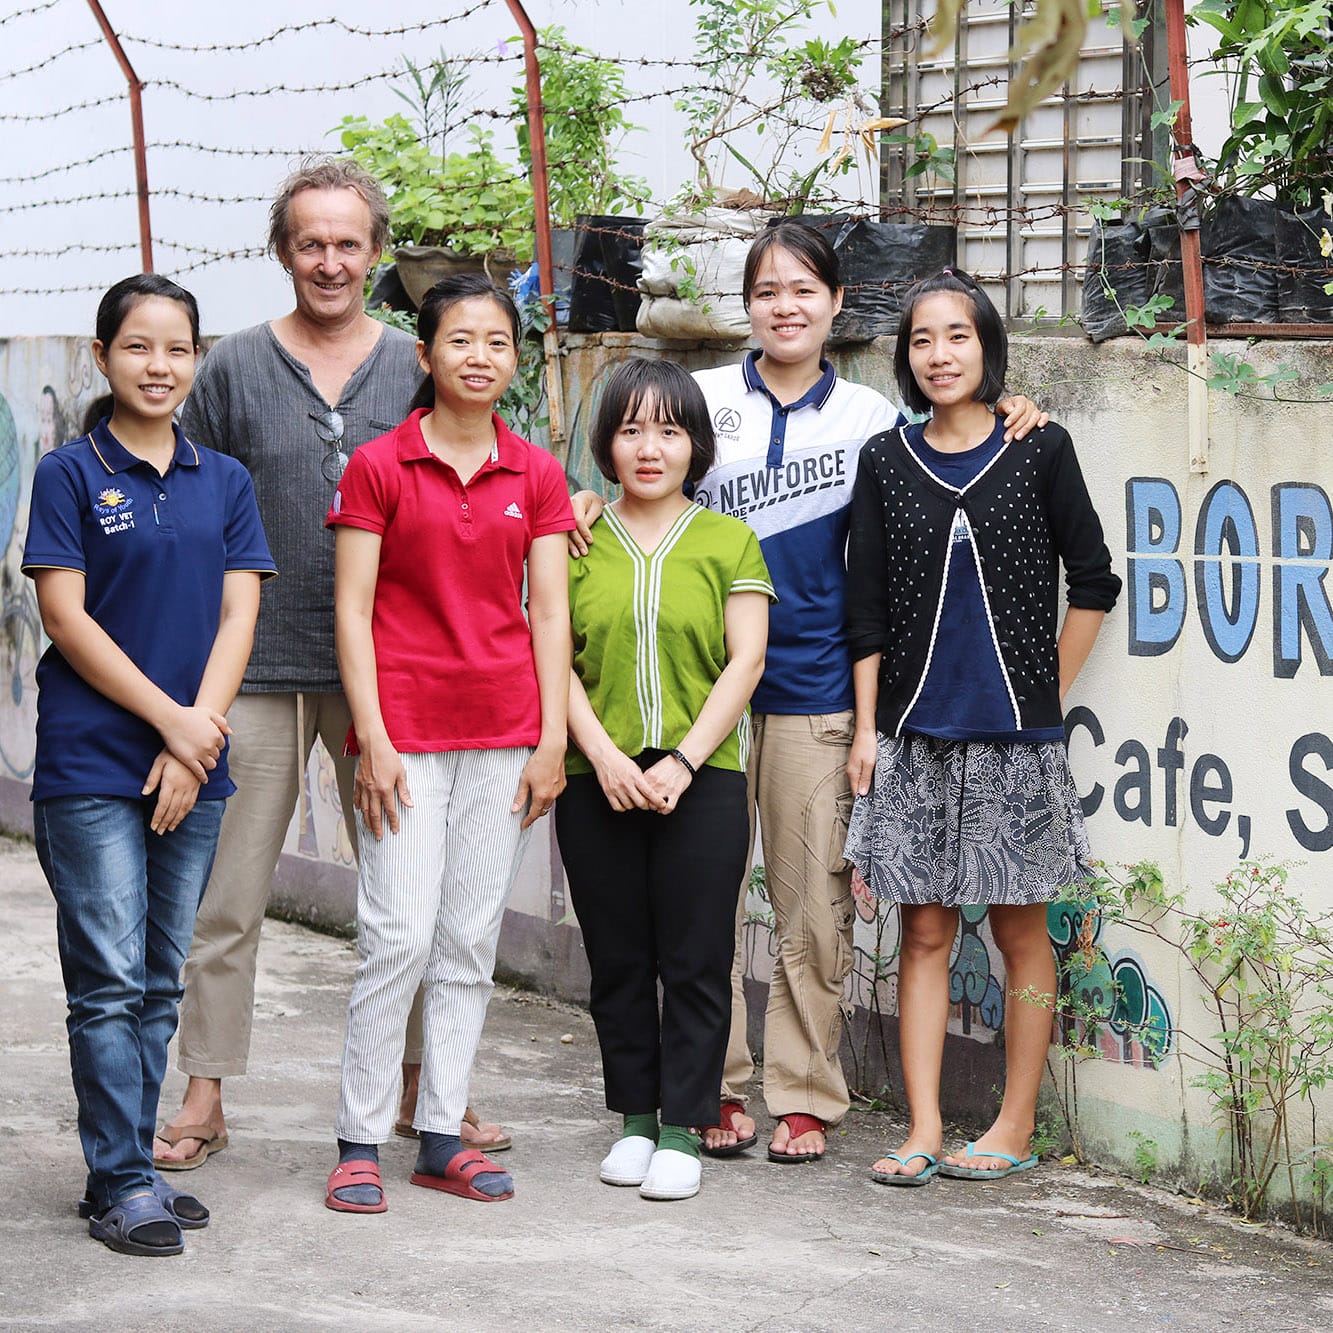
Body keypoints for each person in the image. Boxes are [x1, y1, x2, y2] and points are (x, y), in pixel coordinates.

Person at [572, 221, 1045, 1163]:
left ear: (836, 304)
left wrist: (1015, 404)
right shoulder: (697, 400)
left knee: (809, 910)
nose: (784, 306)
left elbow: (950, 450)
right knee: (699, 912)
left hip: (815, 692)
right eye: (765, 291)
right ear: (744, 305)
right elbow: (621, 481)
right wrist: (578, 498)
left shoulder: (872, 418)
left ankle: (801, 1094)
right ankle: (712, 1088)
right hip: (700, 695)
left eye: (803, 290)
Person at [154, 158, 508, 1170]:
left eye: (348, 241)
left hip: (383, 677)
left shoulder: (415, 362)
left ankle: (421, 1090)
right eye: (309, 241)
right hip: (255, 666)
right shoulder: (229, 370)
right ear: (282, 251)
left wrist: (569, 525)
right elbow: (193, 500)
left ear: (377, 252)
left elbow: (490, 468)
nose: (329, 260)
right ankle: (206, 1089)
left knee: (409, 899)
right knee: (226, 895)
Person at [843, 267, 1121, 1186]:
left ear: (986, 347)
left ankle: (1009, 1123)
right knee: (921, 932)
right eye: (922, 340)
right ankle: (921, 1126)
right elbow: (868, 608)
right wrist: (864, 731)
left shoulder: (1038, 447)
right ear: (904, 356)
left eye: (956, 336)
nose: (938, 355)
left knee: (1019, 934)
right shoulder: (886, 460)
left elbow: (1094, 579)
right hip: (915, 737)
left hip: (1015, 745)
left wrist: (1045, 691)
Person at [22, 274, 274, 1254]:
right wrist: (176, 723)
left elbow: (237, 610)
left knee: (161, 979)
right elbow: (64, 616)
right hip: (92, 767)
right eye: (138, 347)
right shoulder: (70, 475)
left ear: (197, 361)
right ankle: (125, 1177)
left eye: (176, 349)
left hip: (193, 761)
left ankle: (120, 1172)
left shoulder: (225, 481)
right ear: (102, 358)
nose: (158, 365)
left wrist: (196, 735)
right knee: (110, 980)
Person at [323, 274, 573, 1213]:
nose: (479, 356)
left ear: (515, 357)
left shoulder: (535, 472)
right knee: (395, 935)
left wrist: (550, 739)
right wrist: (373, 738)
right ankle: (356, 1138)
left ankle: (439, 1135)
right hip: (405, 736)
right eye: (459, 341)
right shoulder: (379, 465)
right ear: (422, 357)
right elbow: (352, 611)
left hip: (504, 736)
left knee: (468, 938)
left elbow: (547, 611)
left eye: (497, 341)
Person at [558, 358, 773, 1202]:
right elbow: (556, 661)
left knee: (694, 956)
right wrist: (605, 757)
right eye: (631, 429)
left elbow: (745, 658)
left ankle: (683, 1124)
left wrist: (682, 760)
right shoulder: (574, 539)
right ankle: (635, 1121)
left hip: (705, 776)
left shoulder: (729, 541)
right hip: (594, 775)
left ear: (695, 443)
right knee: (617, 957)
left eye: (670, 429)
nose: (650, 448)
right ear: (607, 443)